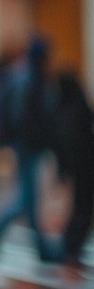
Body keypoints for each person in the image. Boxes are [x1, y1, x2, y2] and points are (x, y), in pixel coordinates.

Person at [0, 35, 62, 263]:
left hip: (25, 144)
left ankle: (34, 246)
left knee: (27, 197)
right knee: (27, 198)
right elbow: (28, 116)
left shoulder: (22, 75)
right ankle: (4, 239)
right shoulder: (31, 79)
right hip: (28, 145)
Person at [50, 71, 93, 266]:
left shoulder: (62, 109)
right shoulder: (77, 109)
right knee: (82, 207)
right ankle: (71, 247)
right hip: (84, 166)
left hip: (76, 167)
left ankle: (71, 246)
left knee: (80, 206)